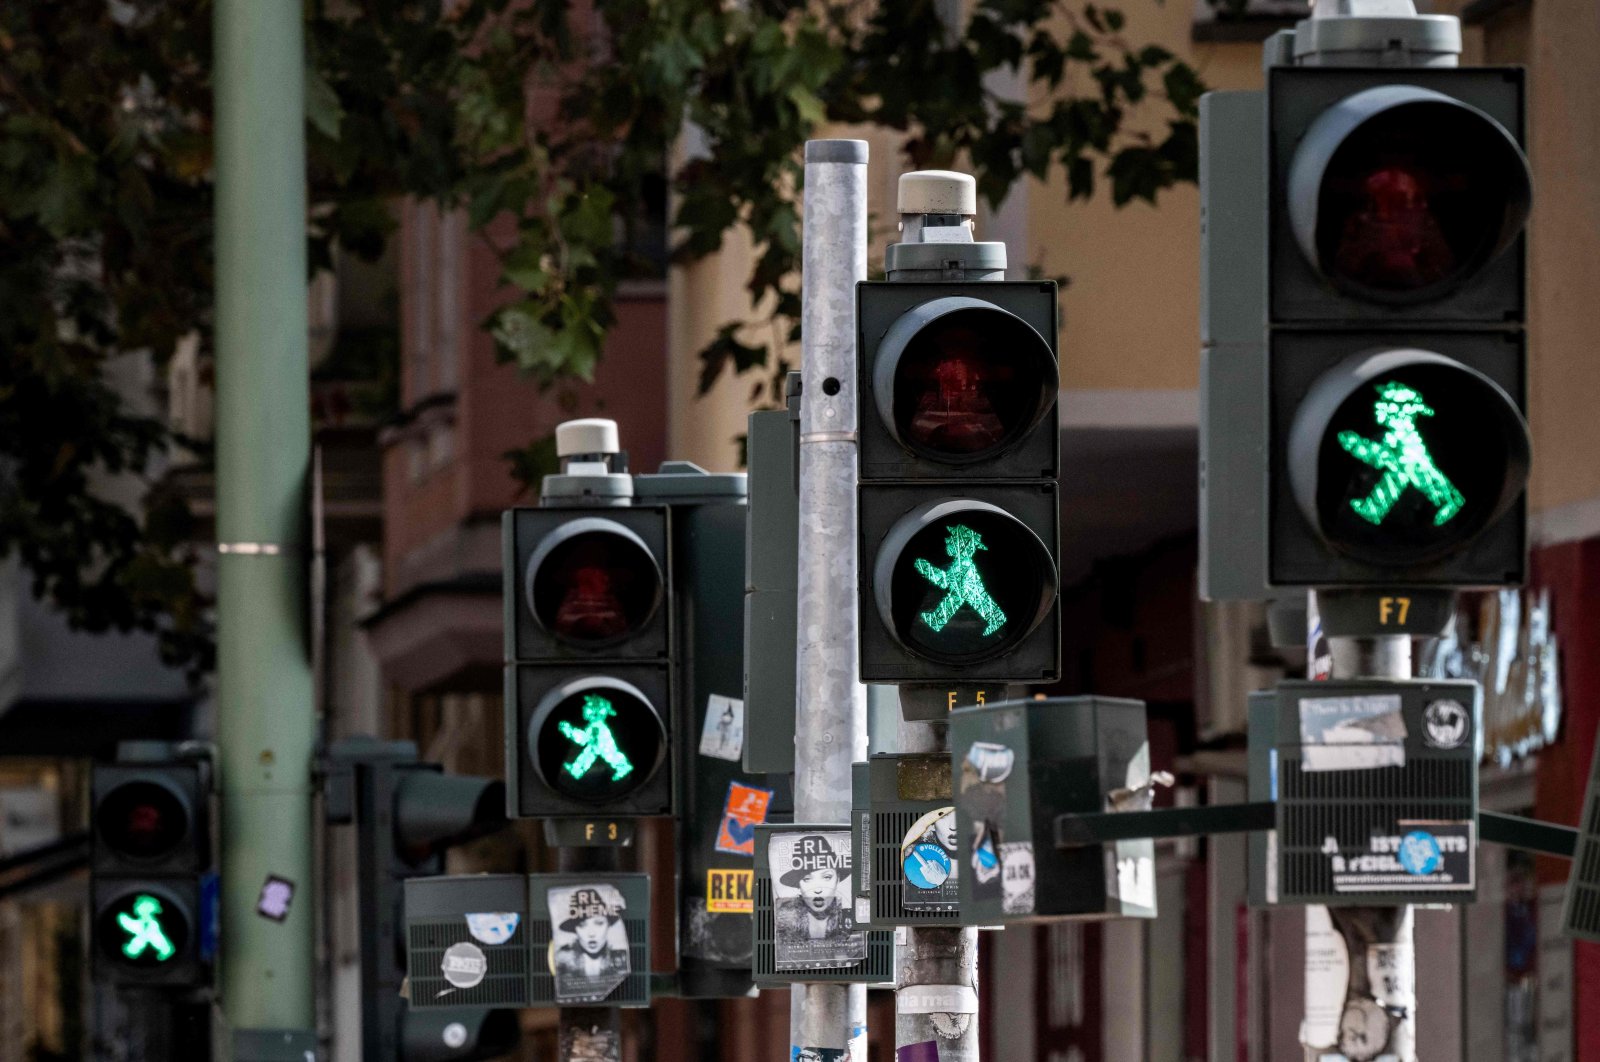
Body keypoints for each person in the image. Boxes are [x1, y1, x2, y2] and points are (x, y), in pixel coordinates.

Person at [774, 834, 857, 951]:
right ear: (798, 884)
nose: (818, 889)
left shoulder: (852, 916)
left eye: (827, 877)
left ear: (837, 879)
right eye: (807, 879)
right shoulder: (785, 918)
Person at [553, 887, 629, 982]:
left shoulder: (623, 960)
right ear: (575, 929)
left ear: (608, 924)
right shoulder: (561, 961)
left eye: (599, 923)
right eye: (582, 925)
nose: (591, 934)